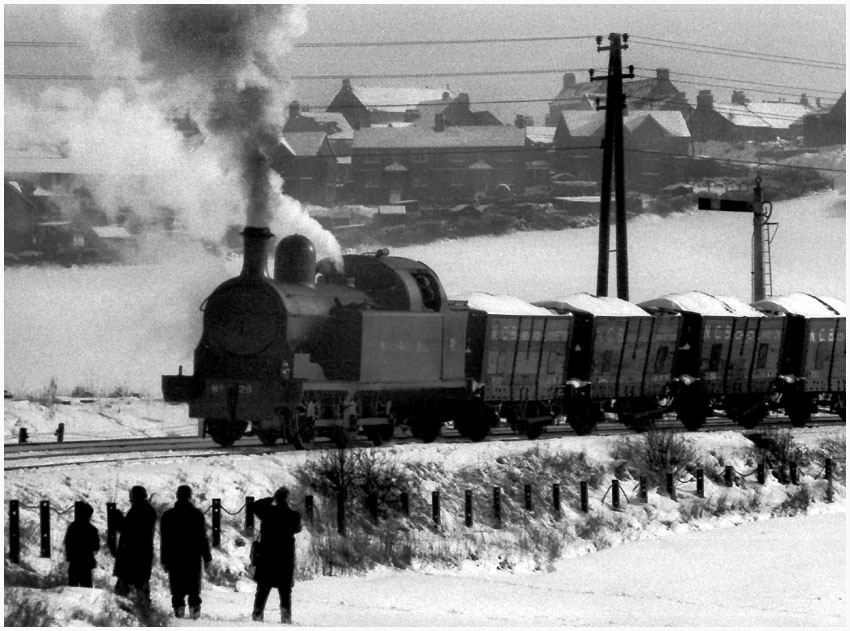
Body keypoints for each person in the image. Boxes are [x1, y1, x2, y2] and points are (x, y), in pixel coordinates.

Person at [160, 485, 213, 619]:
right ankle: (195, 610)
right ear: (190, 496)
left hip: (175, 556)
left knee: (177, 588)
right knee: (194, 588)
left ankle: (179, 610)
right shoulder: (197, 514)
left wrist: (164, 559)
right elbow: (203, 538)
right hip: (192, 556)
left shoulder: (168, 515)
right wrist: (207, 557)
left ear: (177, 496)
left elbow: (164, 540)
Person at [251, 486, 302, 623]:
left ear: (276, 497)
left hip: (267, 557)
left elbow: (255, 505)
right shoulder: (293, 515)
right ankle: (286, 618)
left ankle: (257, 615)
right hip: (285, 558)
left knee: (262, 589)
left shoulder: (267, 513)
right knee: (285, 592)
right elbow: (298, 528)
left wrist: (271, 499)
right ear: (287, 499)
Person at [112, 485, 157, 604]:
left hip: (132, 556)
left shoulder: (138, 511)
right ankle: (146, 611)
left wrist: (119, 519)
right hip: (143, 556)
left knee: (124, 588)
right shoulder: (149, 510)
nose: (130, 500)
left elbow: (129, 531)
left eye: (131, 497)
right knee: (142, 585)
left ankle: (130, 611)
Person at [64, 501, 100, 587]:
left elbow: (67, 543)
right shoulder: (92, 530)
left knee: (72, 588)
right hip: (86, 563)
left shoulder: (72, 527)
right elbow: (96, 547)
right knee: (86, 589)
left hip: (74, 562)